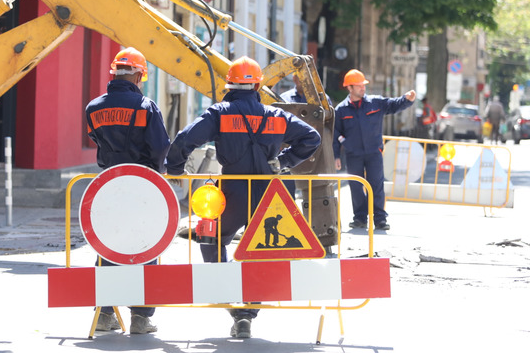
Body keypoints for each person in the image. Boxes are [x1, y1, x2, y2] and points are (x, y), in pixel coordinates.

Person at [166, 56, 321, 339]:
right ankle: (247, 313)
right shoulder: (275, 115)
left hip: (233, 191)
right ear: (258, 85)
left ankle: (225, 289)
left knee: (211, 237)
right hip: (269, 193)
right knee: (264, 250)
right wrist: (283, 162)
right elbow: (311, 137)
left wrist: (175, 169)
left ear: (230, 85)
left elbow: (185, 138)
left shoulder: (220, 113)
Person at [84, 47, 171, 335]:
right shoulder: (146, 107)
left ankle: (104, 315)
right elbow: (160, 147)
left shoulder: (94, 108)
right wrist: (156, 172)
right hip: (143, 184)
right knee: (146, 245)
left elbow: (97, 139)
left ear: (114, 73)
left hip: (109, 184)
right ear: (138, 74)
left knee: (108, 244)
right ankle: (140, 318)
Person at [332, 69, 416, 232]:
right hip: (353, 154)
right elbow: (336, 133)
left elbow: (393, 105)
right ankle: (360, 218)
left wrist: (407, 100)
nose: (363, 88)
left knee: (376, 185)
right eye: (358, 86)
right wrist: (337, 155)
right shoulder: (341, 110)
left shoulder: (375, 103)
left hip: (373, 153)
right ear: (349, 88)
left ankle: (379, 219)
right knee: (356, 186)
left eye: (363, 85)